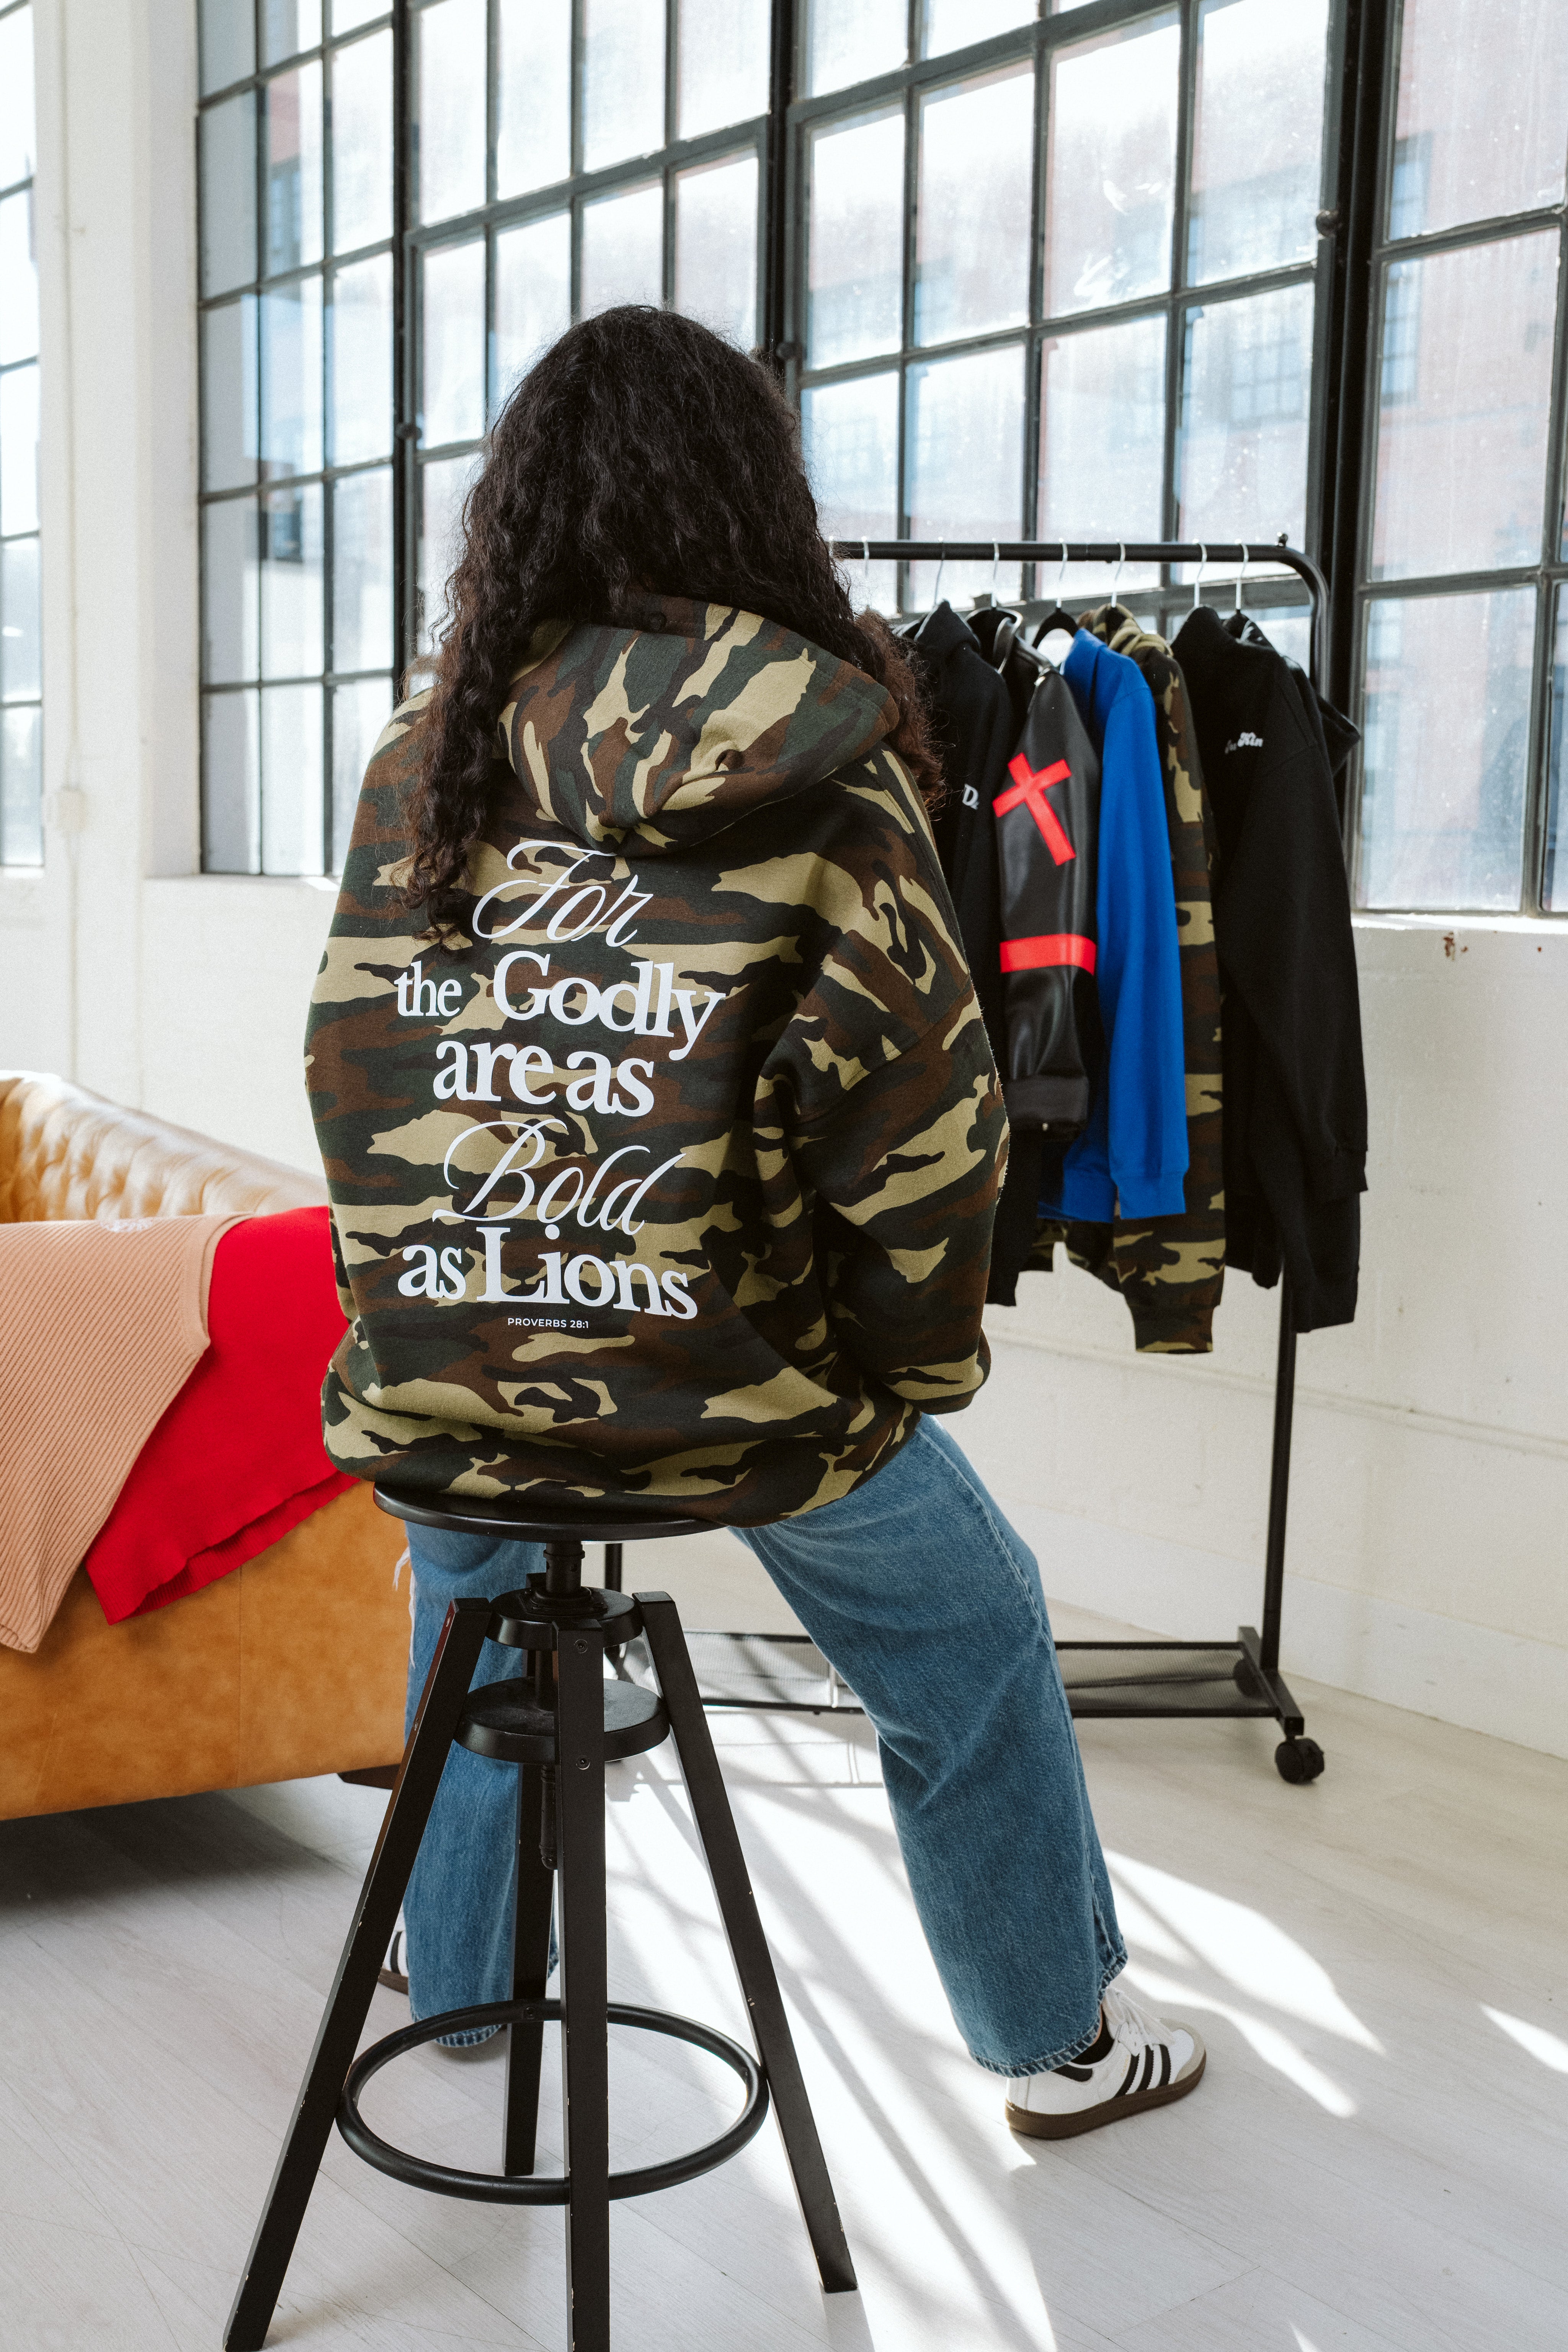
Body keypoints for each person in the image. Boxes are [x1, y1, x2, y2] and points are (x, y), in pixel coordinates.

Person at [305, 306, 1204, 2138]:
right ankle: (1055, 2043)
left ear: (519, 515)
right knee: (972, 1632)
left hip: (446, 1372)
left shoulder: (427, 756)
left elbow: (351, 1070)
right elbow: (923, 1137)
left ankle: (458, 1987)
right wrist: (907, 1376)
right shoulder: (831, 760)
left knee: (472, 1575)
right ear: (752, 502)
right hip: (734, 1390)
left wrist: (426, 1313)